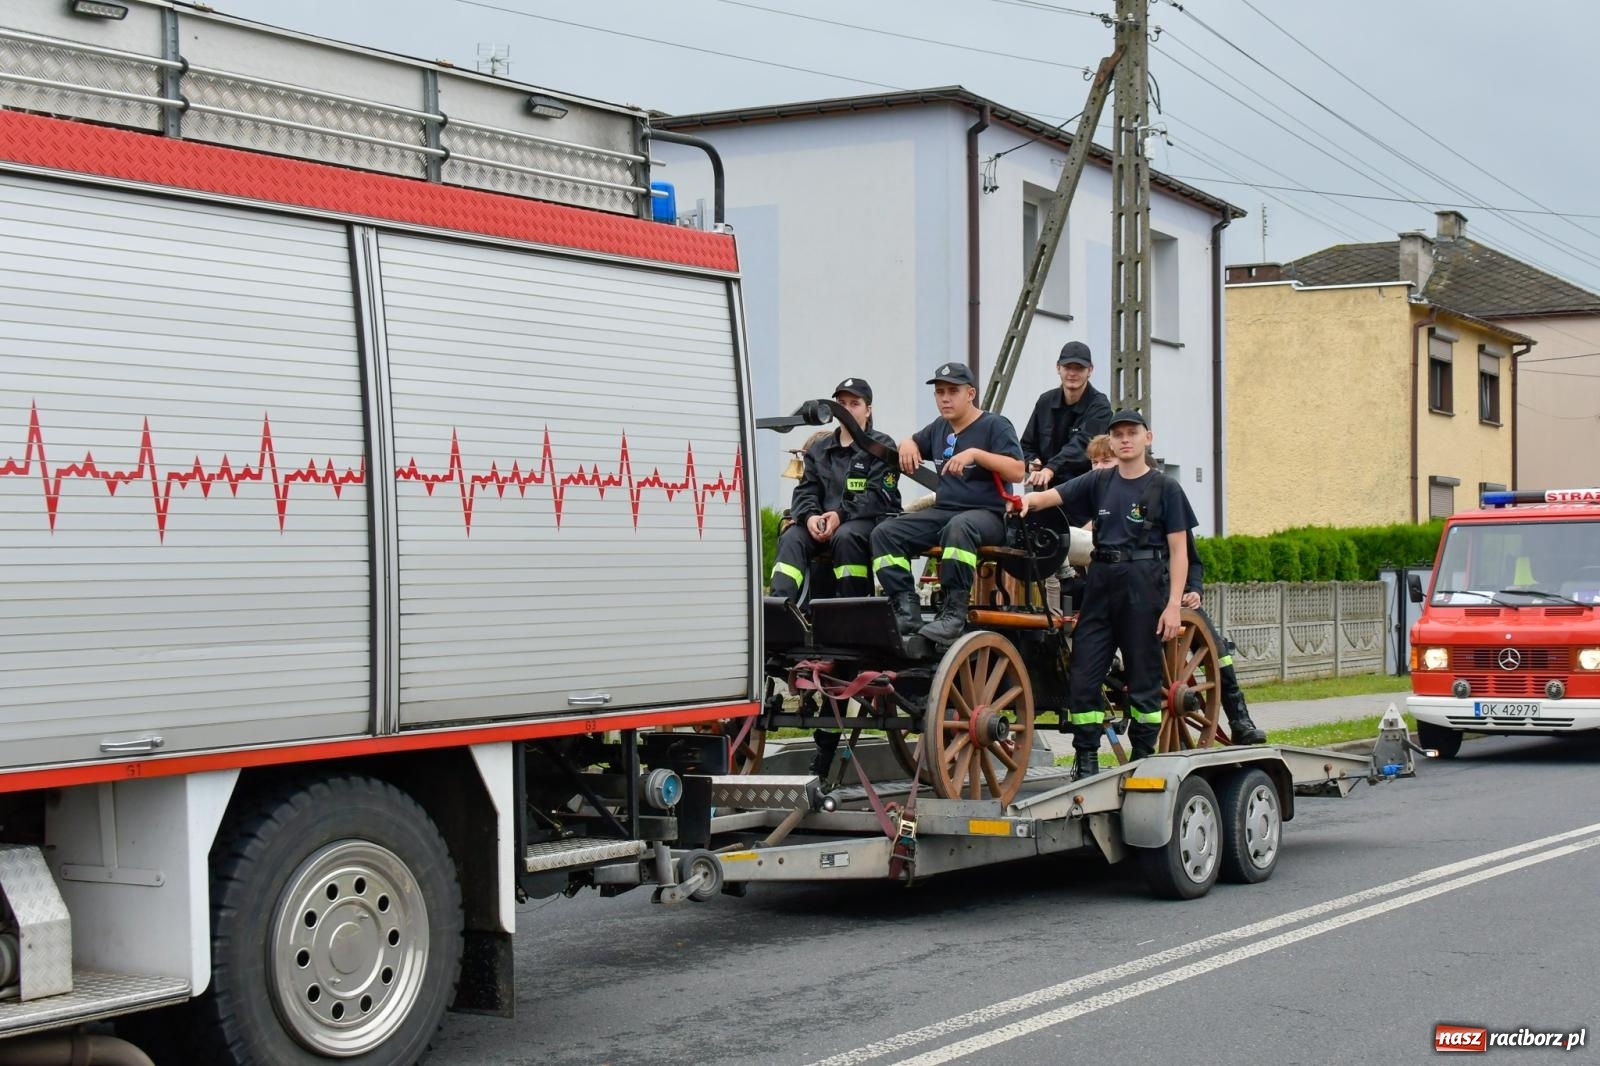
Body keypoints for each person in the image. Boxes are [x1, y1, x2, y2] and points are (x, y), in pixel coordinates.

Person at [1020, 409, 1196, 780]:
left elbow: (1179, 551)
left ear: (1148, 438)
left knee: (1144, 678)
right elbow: (1053, 496)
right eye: (1118, 435)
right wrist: (1024, 502)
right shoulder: (1100, 481)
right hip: (1101, 582)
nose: (1125, 439)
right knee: (1084, 673)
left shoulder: (1166, 488)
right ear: (1111, 442)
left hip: (1144, 584)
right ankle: (1086, 759)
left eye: (1132, 433)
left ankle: (1143, 756)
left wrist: (1172, 606)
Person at [870, 362, 1025, 645]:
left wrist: (976, 454)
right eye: (939, 392)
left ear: (971, 393)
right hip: (946, 513)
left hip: (988, 516)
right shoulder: (940, 428)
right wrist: (907, 444)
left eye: (953, 391)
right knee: (885, 532)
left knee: (959, 526)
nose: (945, 398)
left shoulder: (995, 425)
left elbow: (1017, 470)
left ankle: (954, 612)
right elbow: (914, 441)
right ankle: (906, 607)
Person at [769, 378, 901, 604]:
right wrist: (810, 517)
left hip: (865, 522)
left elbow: (878, 496)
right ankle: (780, 610)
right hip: (822, 523)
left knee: (846, 536)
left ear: (868, 410)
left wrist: (840, 516)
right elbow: (805, 490)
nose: (846, 410)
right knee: (792, 537)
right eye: (841, 403)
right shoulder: (819, 449)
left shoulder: (881, 446)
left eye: (854, 404)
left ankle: (852, 610)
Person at [1021, 341, 1112, 490]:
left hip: (1082, 492)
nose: (1072, 373)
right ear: (1058, 368)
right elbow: (1025, 445)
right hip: (1044, 490)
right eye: (1067, 367)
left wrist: (1050, 469)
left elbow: (1083, 444)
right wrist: (1032, 462)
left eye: (1079, 368)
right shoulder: (1045, 401)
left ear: (1090, 370)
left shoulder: (1100, 406)